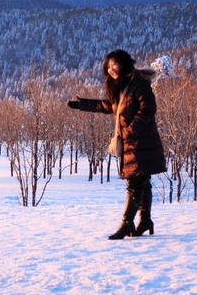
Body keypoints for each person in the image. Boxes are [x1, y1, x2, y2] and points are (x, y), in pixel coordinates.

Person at [68, 49, 167, 240]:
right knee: (142, 182)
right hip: (134, 143)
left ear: (124, 64)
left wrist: (129, 130)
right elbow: (108, 106)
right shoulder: (122, 87)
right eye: (109, 66)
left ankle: (127, 224)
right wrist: (82, 105)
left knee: (135, 183)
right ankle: (145, 220)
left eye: (115, 65)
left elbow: (148, 110)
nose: (112, 69)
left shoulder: (139, 84)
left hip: (141, 142)